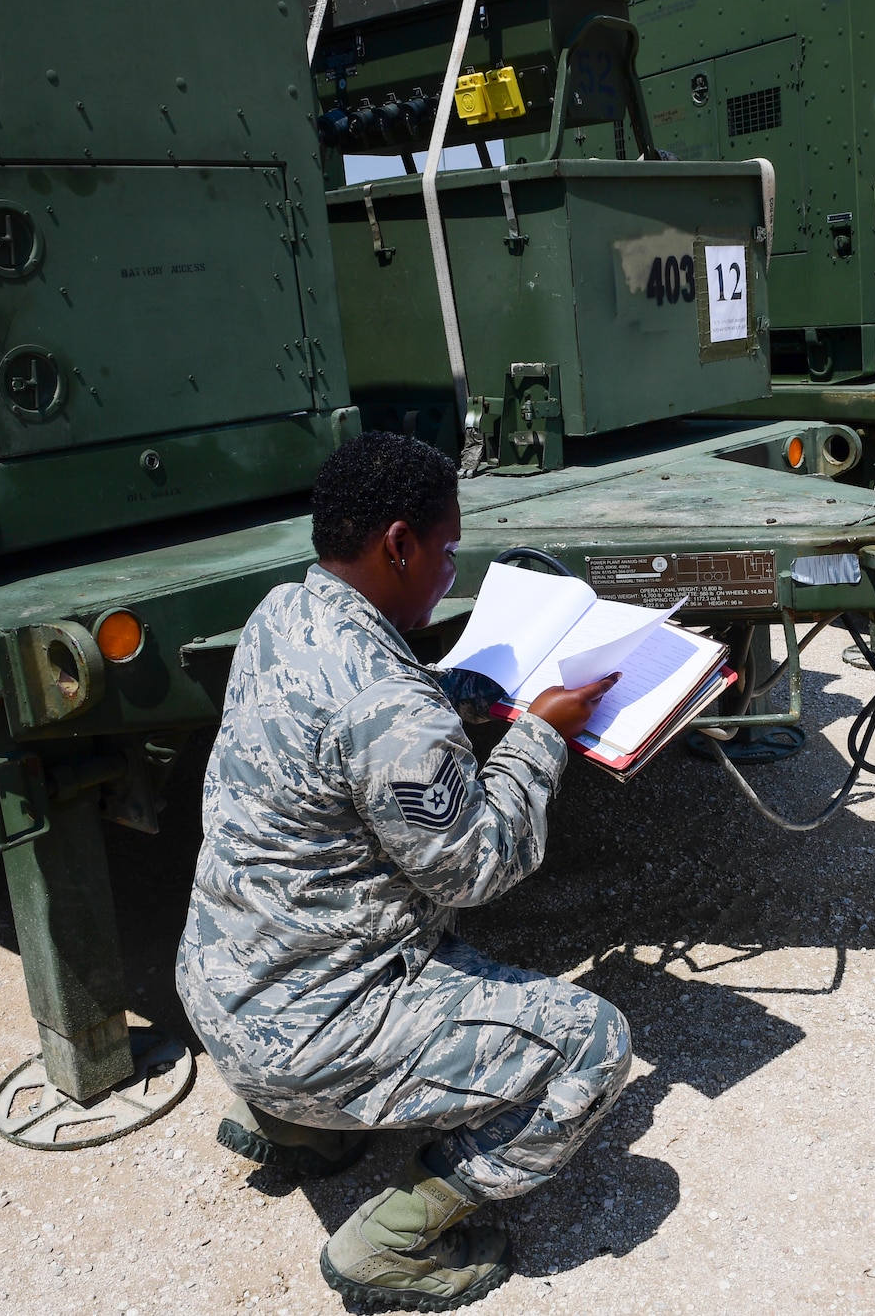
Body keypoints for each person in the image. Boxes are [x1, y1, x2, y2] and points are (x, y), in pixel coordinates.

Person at [174, 432, 629, 1311]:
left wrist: (466, 693)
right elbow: (478, 866)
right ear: (396, 543)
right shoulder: (389, 704)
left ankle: (296, 1129)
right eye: (447, 551)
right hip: (305, 1038)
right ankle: (390, 1239)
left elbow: (367, 711)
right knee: (595, 1043)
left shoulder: (282, 613)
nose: (451, 573)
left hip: (220, 992)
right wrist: (540, 735)